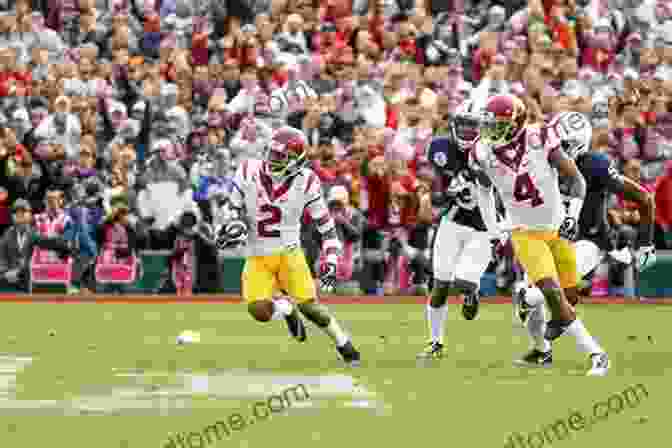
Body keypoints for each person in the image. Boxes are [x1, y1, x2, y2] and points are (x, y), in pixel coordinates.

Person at [472, 94, 609, 376]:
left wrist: (573, 214)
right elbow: (484, 192)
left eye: (497, 125)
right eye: (488, 124)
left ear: (516, 124)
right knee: (551, 291)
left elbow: (576, 179)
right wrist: (494, 232)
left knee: (569, 298)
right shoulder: (483, 152)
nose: (489, 131)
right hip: (525, 232)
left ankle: (540, 347)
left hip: (557, 229)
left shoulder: (540, 137)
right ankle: (597, 354)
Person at [514, 111, 656, 360]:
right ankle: (541, 349)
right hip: (547, 234)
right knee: (533, 292)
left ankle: (554, 317)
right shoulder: (537, 158)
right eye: (553, 139)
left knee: (537, 292)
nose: (555, 147)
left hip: (588, 240)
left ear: (578, 144)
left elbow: (644, 198)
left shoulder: (595, 164)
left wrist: (646, 244)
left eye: (563, 143)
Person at [215, 125, 361, 365]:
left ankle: (345, 345)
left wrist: (332, 261)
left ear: (297, 161)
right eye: (271, 153)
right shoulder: (247, 169)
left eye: (280, 156)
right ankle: (285, 309)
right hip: (258, 255)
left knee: (311, 308)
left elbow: (328, 229)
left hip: (289, 254)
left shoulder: (307, 181)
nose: (272, 160)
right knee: (258, 311)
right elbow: (231, 207)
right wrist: (231, 223)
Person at [418, 100, 500, 359]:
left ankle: (471, 293)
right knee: (440, 285)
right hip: (453, 221)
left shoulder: (493, 151)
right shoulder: (441, 148)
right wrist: (435, 195)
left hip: (483, 227)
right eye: (462, 126)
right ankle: (435, 342)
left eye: (472, 126)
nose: (466, 132)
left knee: (463, 282)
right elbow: (437, 188)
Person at [0, 199, 73, 291]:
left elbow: (55, 243)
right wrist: (5, 272)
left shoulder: (34, 234)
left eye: (23, 211)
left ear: (30, 215)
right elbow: (1, 256)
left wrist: (65, 251)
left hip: (28, 284)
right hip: (8, 284)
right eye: (16, 212)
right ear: (11, 216)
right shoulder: (7, 235)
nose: (19, 214)